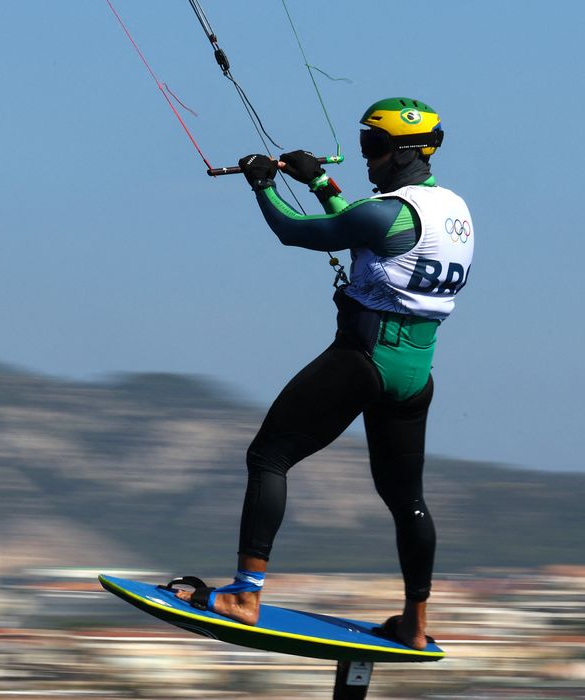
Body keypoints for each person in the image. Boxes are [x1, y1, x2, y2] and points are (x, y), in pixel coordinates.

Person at [176, 97, 474, 650]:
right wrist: (320, 180)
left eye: (372, 147)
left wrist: (262, 184)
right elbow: (362, 226)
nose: (367, 157)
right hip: (416, 374)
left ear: (400, 153)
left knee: (269, 456)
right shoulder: (452, 210)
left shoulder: (386, 212)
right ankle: (415, 624)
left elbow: (300, 232)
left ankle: (245, 594)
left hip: (363, 360)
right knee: (406, 498)